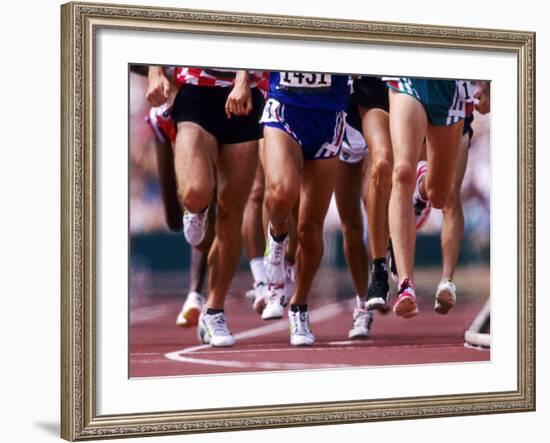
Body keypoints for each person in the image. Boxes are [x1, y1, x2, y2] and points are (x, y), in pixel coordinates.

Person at [146, 66, 265, 346]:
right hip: (198, 92)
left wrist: (243, 79)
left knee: (230, 214)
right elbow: (158, 25)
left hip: (245, 98)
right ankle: (196, 210)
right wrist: (155, 72)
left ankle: (214, 310)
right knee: (194, 193)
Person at [261, 71, 348, 345]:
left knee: (310, 229)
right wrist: (241, 79)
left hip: (328, 117)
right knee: (281, 192)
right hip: (284, 106)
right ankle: (276, 240)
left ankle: (299, 306)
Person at [386, 77, 473, 318]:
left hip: (451, 88)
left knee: (439, 196)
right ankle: (405, 285)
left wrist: (487, 85)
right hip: (407, 77)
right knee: (402, 171)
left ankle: (423, 191)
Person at [415, 80, 489, 315]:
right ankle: (397, 264)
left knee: (449, 194)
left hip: (456, 102)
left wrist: (488, 87)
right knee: (403, 176)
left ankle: (447, 280)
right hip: (416, 95)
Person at [334, 100, 374, 338]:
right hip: (342, 120)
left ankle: (384, 268)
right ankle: (363, 305)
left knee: (375, 202)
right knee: (350, 225)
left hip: (375, 107)